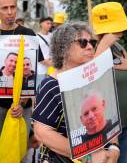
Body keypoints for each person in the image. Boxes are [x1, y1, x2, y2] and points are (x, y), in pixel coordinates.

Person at [33, 22, 119, 163]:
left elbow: (109, 116)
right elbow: (42, 133)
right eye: (83, 42)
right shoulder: (51, 85)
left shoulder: (95, 79)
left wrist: (114, 148)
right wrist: (88, 155)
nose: (90, 46)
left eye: (91, 42)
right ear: (63, 48)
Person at [0, 0, 44, 141]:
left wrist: (23, 103)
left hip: (22, 107)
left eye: (13, 7)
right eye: (4, 8)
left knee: (18, 151)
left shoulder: (29, 34)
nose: (9, 12)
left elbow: (32, 73)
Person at [91, 2, 127, 163]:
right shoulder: (89, 50)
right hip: (104, 128)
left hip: (125, 123)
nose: (122, 30)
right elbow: (90, 80)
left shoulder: (118, 47)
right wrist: (104, 44)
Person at [37, 17, 53, 82]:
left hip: (52, 68)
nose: (50, 25)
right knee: (41, 89)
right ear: (41, 24)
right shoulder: (36, 37)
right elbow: (36, 54)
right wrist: (45, 62)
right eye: (47, 23)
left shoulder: (53, 36)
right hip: (41, 69)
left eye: (51, 23)